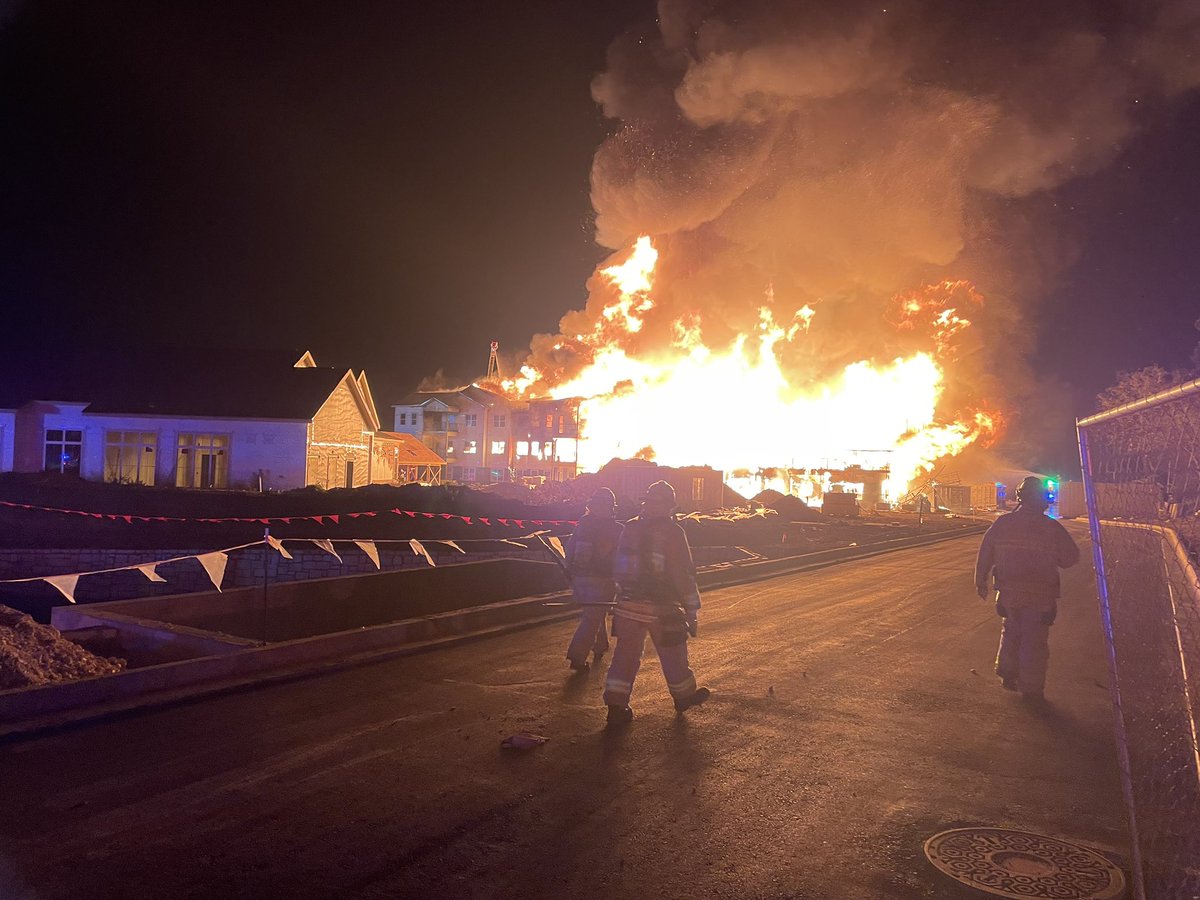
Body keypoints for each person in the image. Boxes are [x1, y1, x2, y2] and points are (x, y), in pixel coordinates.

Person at [603, 480, 710, 725]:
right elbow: (682, 573)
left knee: (625, 656)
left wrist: (618, 596)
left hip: (628, 605)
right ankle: (683, 697)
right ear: (669, 506)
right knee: (673, 653)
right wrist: (692, 608)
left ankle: (616, 707)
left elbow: (618, 566)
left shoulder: (629, 528)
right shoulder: (673, 533)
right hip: (662, 607)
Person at [974, 475, 1080, 700]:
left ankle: (1008, 673)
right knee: (1035, 639)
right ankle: (1031, 688)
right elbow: (1070, 558)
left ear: (1020, 498)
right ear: (1043, 500)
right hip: (1041, 595)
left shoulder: (1003, 524)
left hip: (1008, 592)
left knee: (1011, 629)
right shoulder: (1052, 528)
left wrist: (980, 580)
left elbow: (985, 553)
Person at [564, 488, 623, 672]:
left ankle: (600, 645)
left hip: (579, 578)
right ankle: (577, 657)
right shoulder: (616, 529)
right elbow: (622, 556)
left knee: (595, 612)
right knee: (593, 616)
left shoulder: (582, 525)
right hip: (603, 579)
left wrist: (571, 572)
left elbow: (569, 549)